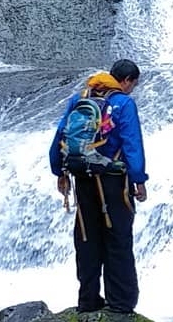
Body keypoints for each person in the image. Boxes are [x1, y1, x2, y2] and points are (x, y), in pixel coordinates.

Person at [49, 59, 148, 315]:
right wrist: (139, 179)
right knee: (117, 238)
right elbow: (131, 142)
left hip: (82, 179)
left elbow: (61, 135)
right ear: (126, 81)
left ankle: (88, 300)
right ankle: (121, 303)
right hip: (114, 182)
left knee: (87, 237)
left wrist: (59, 171)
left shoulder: (81, 98)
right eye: (132, 85)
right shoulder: (123, 103)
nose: (131, 89)